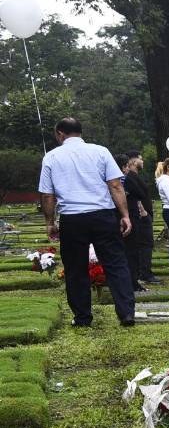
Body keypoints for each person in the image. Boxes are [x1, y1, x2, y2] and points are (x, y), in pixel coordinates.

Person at [38, 117, 135, 327]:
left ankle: (82, 317)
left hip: (72, 217)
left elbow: (47, 195)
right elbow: (116, 185)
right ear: (80, 132)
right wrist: (125, 215)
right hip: (102, 214)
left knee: (75, 268)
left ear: (60, 134)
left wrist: (49, 221)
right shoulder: (101, 151)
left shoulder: (51, 157)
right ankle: (126, 313)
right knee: (116, 264)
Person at [123, 151, 156, 286]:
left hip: (144, 215)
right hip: (140, 216)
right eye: (140, 159)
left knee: (145, 245)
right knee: (141, 245)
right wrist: (143, 211)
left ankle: (142, 273)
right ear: (133, 161)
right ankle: (141, 274)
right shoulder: (129, 177)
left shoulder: (135, 176)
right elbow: (137, 195)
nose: (142, 162)